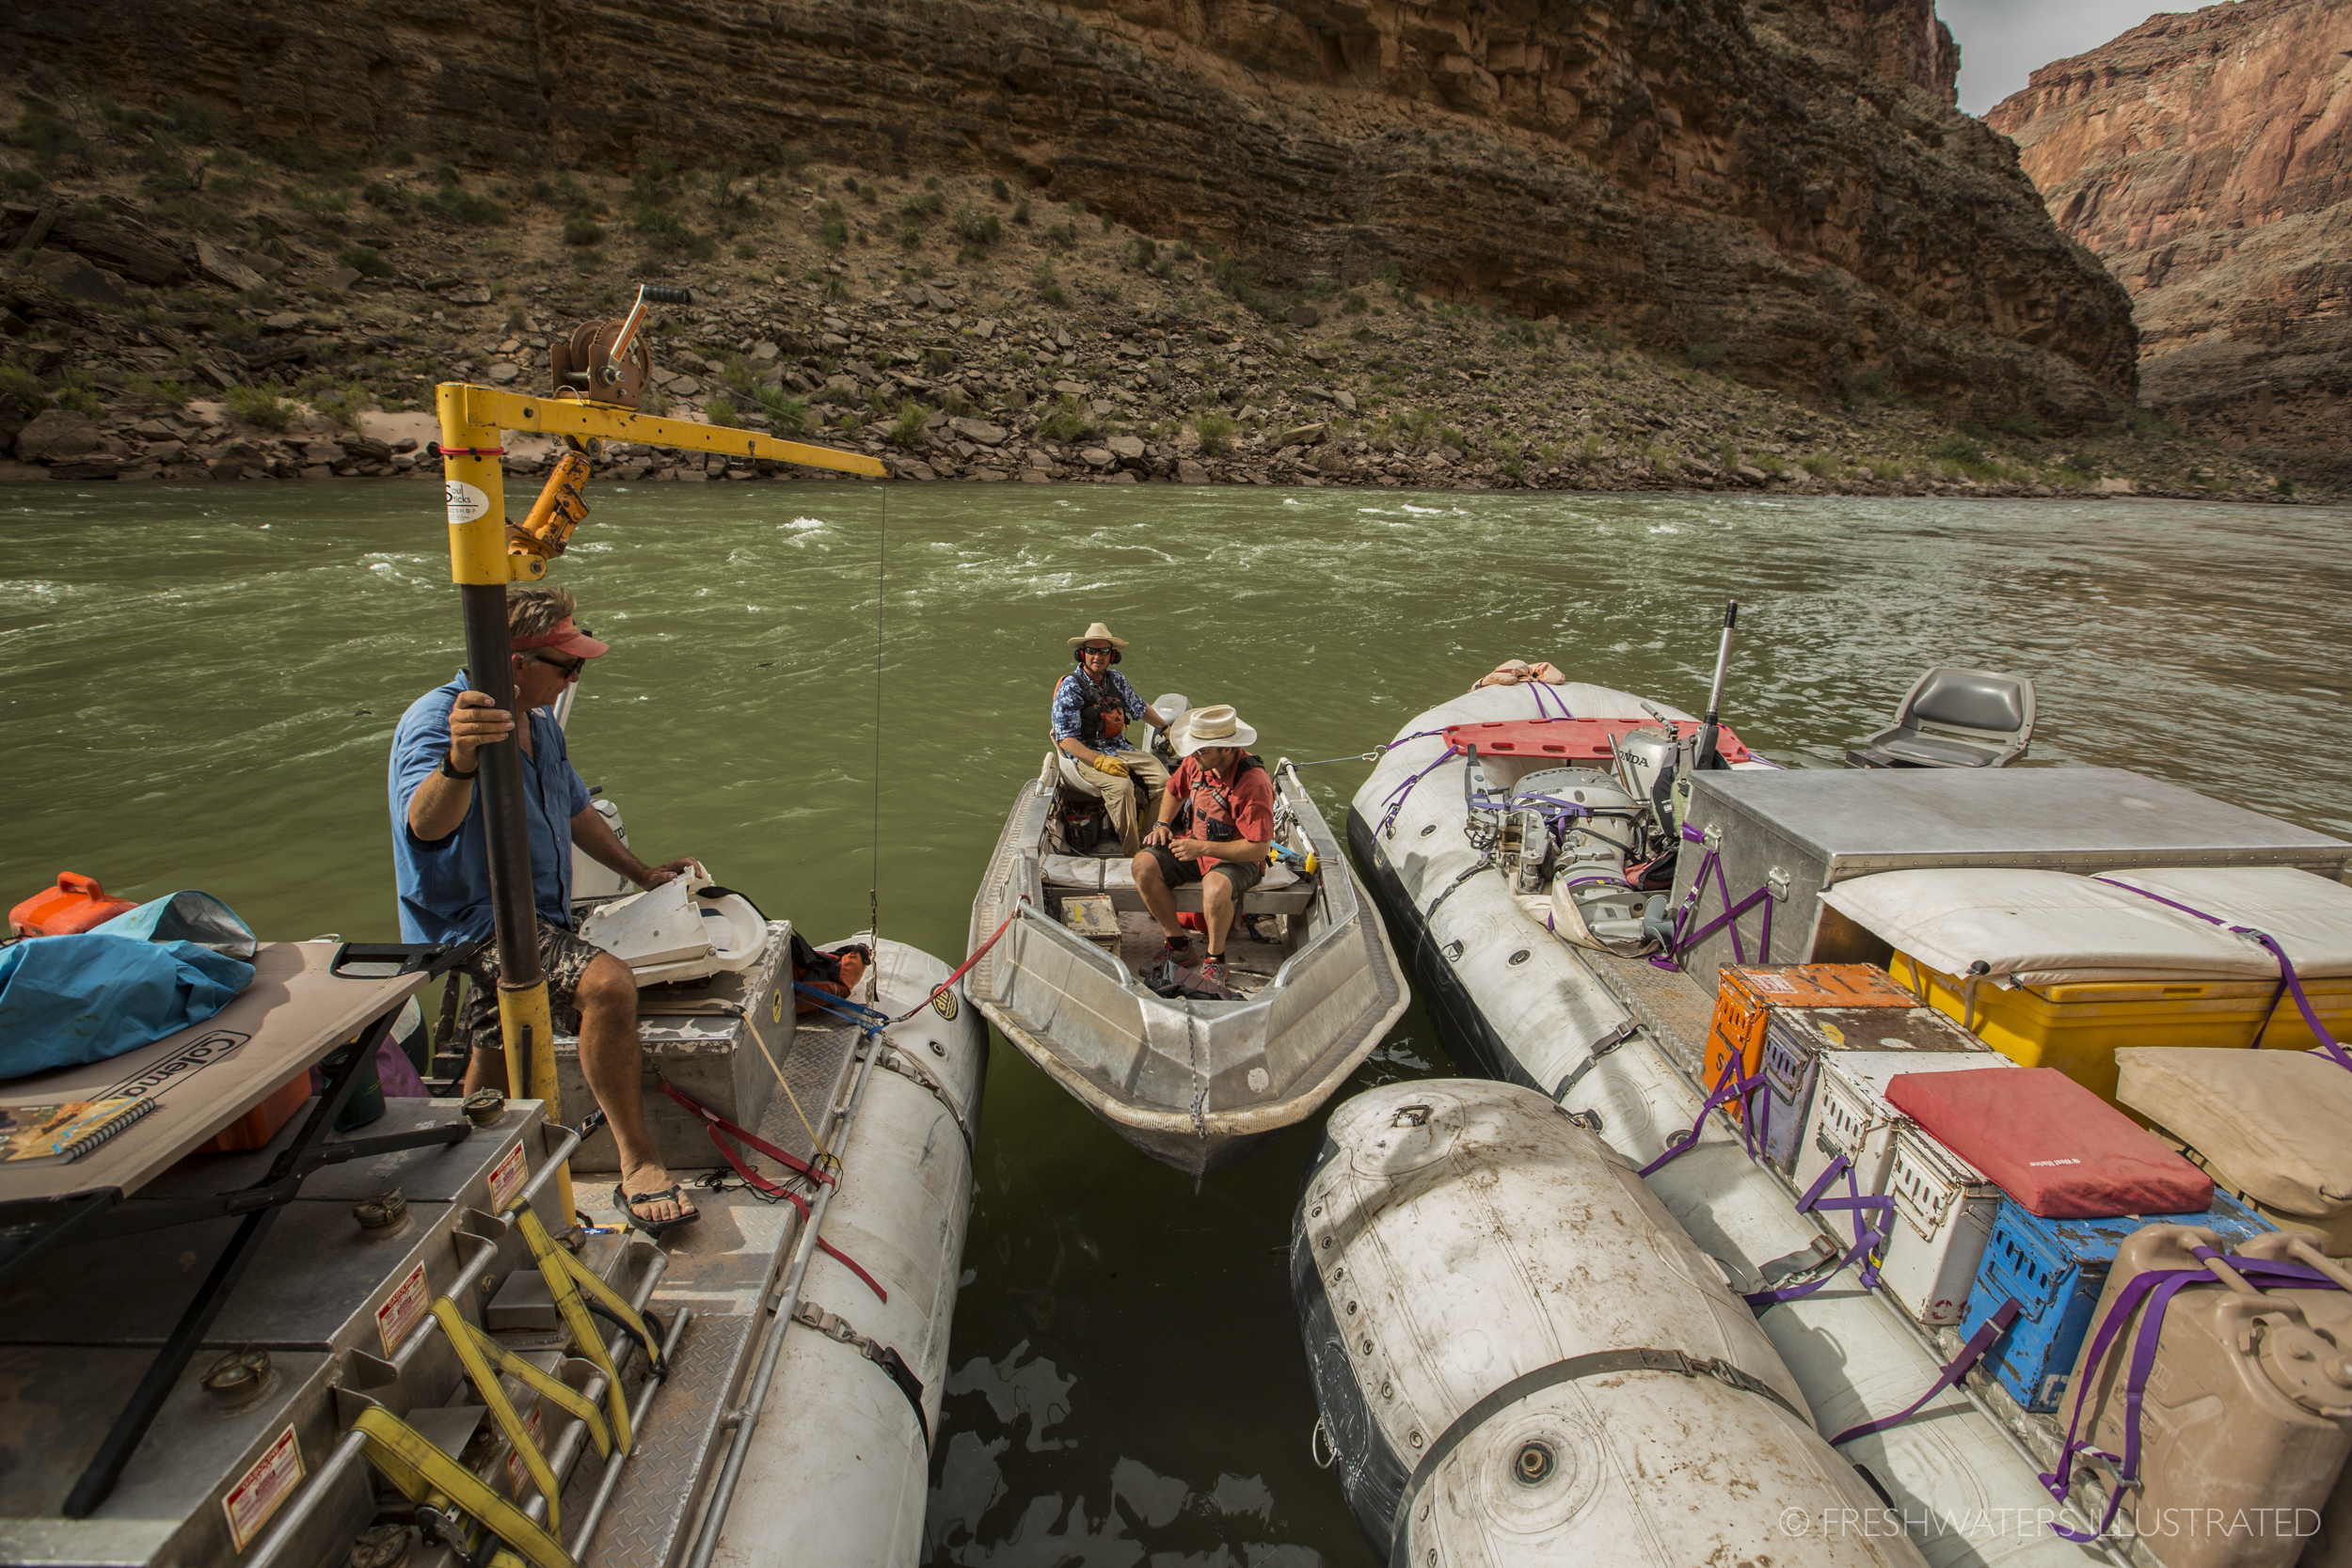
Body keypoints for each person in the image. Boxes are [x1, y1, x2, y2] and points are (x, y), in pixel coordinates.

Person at [389, 586, 703, 1233]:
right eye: (567, 665)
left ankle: (475, 1170)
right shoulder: (438, 719)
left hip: (538, 913)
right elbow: (422, 825)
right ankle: (639, 1162)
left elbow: (575, 809)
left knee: (493, 1046)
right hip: (476, 921)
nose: (576, 675)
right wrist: (460, 760)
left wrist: (641, 872)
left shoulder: (540, 725)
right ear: (514, 663)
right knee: (607, 987)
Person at [1134, 705, 1274, 994]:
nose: (1193, 756)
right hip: (1194, 846)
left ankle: (1215, 959)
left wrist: (1202, 848)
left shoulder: (1253, 783)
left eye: (1202, 751)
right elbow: (1174, 790)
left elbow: (1259, 849)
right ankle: (1179, 945)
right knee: (1142, 865)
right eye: (1193, 749)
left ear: (1226, 749)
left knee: (1215, 886)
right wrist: (1161, 823)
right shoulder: (1197, 764)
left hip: (1239, 856)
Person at [1050, 621, 1174, 854]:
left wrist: (1165, 727)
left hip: (1119, 747)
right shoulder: (1071, 688)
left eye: (1104, 651)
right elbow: (1066, 739)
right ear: (1082, 654)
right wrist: (1098, 761)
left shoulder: (1116, 680)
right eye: (1092, 651)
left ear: (1112, 655)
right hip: (1087, 755)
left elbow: (1139, 707)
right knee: (1122, 788)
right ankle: (1133, 852)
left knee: (1164, 782)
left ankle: (1150, 842)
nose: (1098, 656)